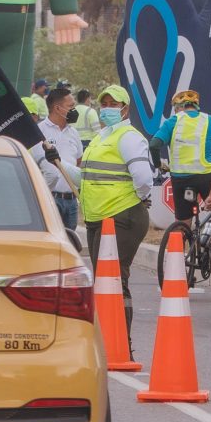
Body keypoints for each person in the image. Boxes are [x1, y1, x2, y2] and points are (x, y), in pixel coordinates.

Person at [77, 84, 156, 331]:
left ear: (125, 108)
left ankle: (122, 338)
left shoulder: (129, 137)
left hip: (122, 216)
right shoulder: (102, 137)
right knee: (104, 279)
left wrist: (140, 197)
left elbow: (143, 179)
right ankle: (109, 337)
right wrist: (53, 159)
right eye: (105, 104)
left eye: (114, 104)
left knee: (114, 278)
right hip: (99, 217)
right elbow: (85, 175)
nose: (108, 108)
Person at [159, 87, 211, 238]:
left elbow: (153, 145)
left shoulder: (173, 121)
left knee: (182, 222)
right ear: (196, 106)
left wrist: (158, 164)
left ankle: (178, 257)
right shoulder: (209, 120)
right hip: (206, 176)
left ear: (179, 108)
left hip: (180, 178)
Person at [33, 81, 85, 244]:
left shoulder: (74, 133)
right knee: (51, 244)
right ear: (57, 108)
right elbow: (44, 168)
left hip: (71, 201)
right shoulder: (39, 131)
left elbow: (79, 162)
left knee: (69, 245)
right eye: (71, 106)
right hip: (50, 199)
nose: (74, 110)